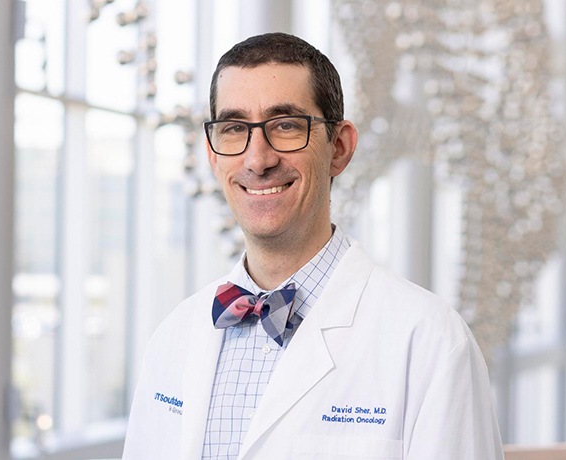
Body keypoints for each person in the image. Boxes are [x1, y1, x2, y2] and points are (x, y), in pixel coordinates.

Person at [122, 32, 504, 460]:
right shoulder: (173, 337)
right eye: (233, 129)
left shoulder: (430, 341)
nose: (257, 159)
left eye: (285, 126)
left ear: (339, 148)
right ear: (213, 156)